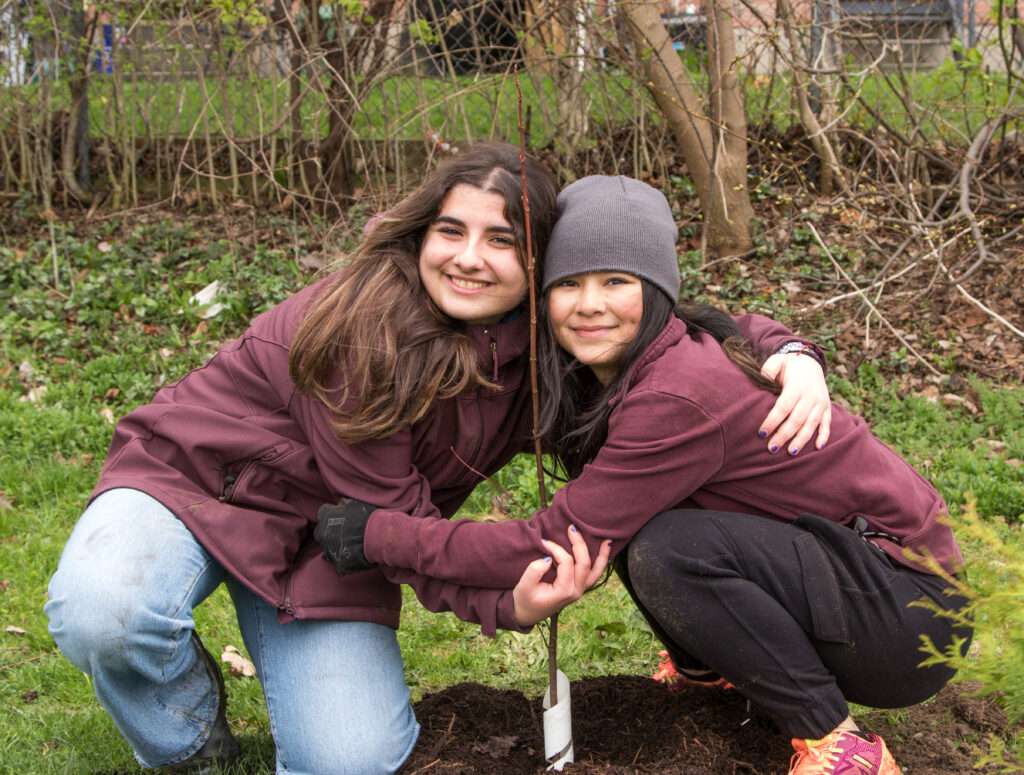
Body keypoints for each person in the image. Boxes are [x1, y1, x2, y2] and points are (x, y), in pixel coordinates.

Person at [44, 147, 829, 775]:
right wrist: (504, 608)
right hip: (194, 484)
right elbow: (397, 527)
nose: (468, 258)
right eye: (450, 231)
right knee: (103, 609)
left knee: (349, 761)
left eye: (502, 240)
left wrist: (788, 350)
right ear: (422, 232)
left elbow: (664, 321)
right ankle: (186, 742)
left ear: (545, 265)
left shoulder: (550, 341)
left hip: (332, 546)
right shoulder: (363, 334)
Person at [321, 176, 973, 775]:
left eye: (615, 282)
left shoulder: (678, 395)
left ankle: (840, 746)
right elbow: (745, 324)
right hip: (861, 590)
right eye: (568, 284)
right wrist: (792, 347)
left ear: (656, 291)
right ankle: (710, 674)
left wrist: (380, 534)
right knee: (645, 525)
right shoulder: (650, 356)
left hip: (909, 617)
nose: (588, 305)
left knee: (668, 544)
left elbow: (543, 542)